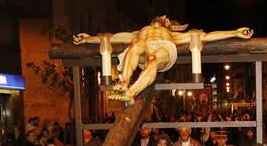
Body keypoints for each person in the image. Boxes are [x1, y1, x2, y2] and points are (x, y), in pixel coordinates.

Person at [73, 16, 253, 101]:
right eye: (162, 16)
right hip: (143, 46)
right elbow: (111, 37)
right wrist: (88, 38)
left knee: (153, 60)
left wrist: (235, 32)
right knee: (134, 46)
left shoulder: (172, 35)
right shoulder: (140, 32)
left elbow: (206, 36)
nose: (163, 17)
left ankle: (130, 94)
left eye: (167, 18)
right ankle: (124, 82)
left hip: (164, 49)